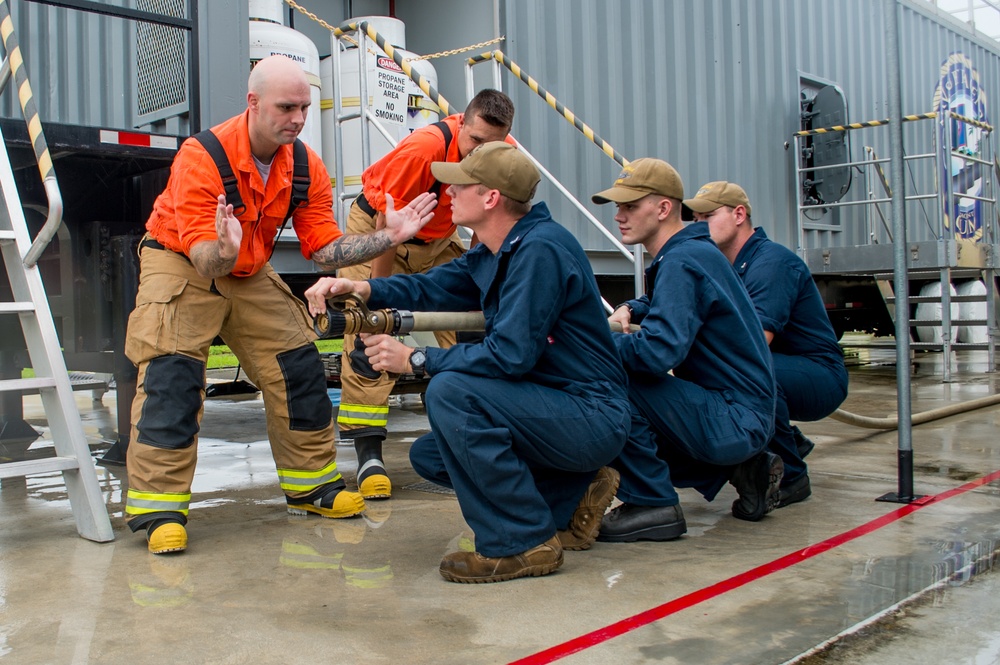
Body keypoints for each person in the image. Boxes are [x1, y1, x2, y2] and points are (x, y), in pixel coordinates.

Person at [123, 55, 437, 555]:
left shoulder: (306, 165)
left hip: (247, 270)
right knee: (172, 378)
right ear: (253, 103)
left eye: (304, 107)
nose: (297, 118)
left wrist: (387, 237)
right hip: (184, 263)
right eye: (286, 107)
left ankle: (310, 485)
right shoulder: (201, 155)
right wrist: (222, 250)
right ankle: (157, 506)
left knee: (298, 367)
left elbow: (324, 249)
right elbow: (205, 258)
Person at [305, 142, 631, 583]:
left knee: (450, 392)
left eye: (460, 184)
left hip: (588, 413)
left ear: (491, 197)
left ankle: (521, 543)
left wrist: (417, 358)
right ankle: (570, 497)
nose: (448, 191)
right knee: (433, 455)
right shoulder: (501, 249)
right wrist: (364, 290)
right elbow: (434, 286)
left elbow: (511, 356)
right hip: (553, 407)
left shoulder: (540, 251)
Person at [337, 89, 516, 502]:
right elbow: (387, 222)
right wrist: (378, 298)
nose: (478, 154)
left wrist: (478, 279)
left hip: (438, 238)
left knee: (466, 329)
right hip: (381, 230)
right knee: (369, 331)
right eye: (472, 142)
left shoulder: (503, 156)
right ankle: (368, 455)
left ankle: (465, 437)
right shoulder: (424, 150)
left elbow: (487, 223)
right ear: (460, 124)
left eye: (490, 145)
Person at [590, 158, 781, 543]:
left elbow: (659, 352)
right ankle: (745, 470)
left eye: (630, 206)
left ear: (663, 209)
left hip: (735, 417)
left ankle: (652, 503)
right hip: (745, 413)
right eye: (617, 207)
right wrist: (635, 306)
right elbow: (682, 300)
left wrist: (595, 343)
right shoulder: (693, 252)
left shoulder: (681, 260)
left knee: (609, 379)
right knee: (637, 395)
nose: (619, 216)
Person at [685, 181, 848, 507]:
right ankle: (786, 439)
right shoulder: (724, 266)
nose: (698, 227)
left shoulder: (771, 263)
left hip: (819, 374)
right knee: (708, 368)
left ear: (739, 214)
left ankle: (792, 475)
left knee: (744, 370)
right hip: (777, 366)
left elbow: (757, 341)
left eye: (707, 217)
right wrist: (633, 308)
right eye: (695, 219)